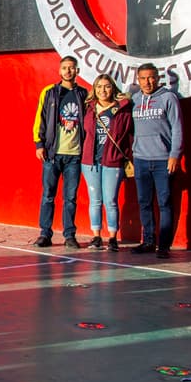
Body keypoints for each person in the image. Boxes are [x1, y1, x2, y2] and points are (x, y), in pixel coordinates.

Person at [32, 56, 88, 248]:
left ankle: (69, 235)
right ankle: (45, 234)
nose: (68, 71)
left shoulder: (83, 94)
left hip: (75, 155)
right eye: (64, 67)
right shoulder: (49, 92)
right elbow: (40, 118)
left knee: (70, 198)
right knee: (48, 195)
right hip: (52, 154)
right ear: (59, 70)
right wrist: (39, 144)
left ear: (77, 70)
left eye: (71, 68)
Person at [129, 62, 183, 258]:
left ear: (158, 78)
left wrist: (174, 155)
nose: (147, 82)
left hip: (163, 160)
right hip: (140, 159)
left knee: (164, 203)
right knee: (144, 202)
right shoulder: (134, 99)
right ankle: (148, 241)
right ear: (138, 80)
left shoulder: (168, 98)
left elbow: (177, 128)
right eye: (143, 78)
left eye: (151, 77)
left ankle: (164, 246)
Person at [80, 74, 133, 251]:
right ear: (94, 89)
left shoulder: (123, 109)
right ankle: (96, 236)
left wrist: (128, 156)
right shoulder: (89, 108)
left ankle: (112, 238)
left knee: (110, 201)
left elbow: (129, 135)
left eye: (107, 86)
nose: (103, 90)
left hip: (113, 161)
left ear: (113, 88)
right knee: (95, 200)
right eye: (99, 87)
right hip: (90, 161)